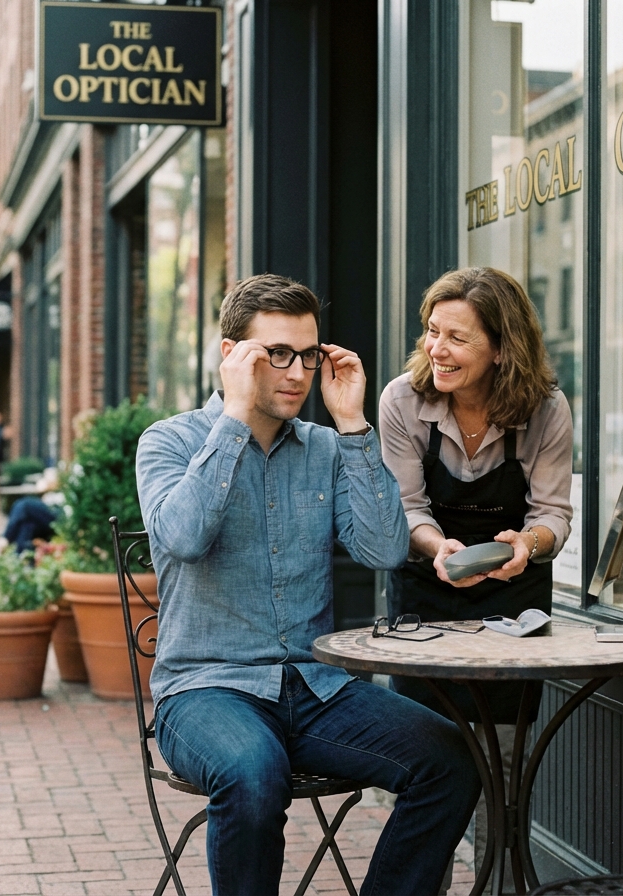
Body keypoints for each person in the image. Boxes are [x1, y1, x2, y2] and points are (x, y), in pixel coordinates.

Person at [136, 274, 480, 896]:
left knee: (451, 759)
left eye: (307, 354)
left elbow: (382, 549)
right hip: (205, 691)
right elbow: (182, 537)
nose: (295, 372)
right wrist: (237, 419)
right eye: (276, 354)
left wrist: (352, 424)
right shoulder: (170, 441)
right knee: (253, 771)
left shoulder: (325, 447)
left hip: (316, 690)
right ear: (230, 356)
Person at [378, 266, 573, 888]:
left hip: (512, 613)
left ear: (500, 347)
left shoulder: (545, 410)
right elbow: (407, 509)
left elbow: (552, 516)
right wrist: (440, 548)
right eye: (433, 332)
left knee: (503, 779)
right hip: (425, 611)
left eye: (457, 338)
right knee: (426, 773)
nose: (438, 349)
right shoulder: (402, 402)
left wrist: (527, 544)